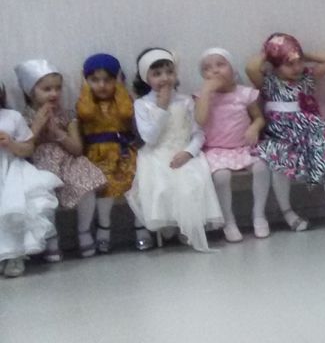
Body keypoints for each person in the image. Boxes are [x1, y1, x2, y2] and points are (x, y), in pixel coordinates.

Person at [247, 34, 325, 234]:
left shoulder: (307, 77)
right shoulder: (268, 81)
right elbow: (250, 68)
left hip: (311, 130)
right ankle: (288, 212)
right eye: (289, 64)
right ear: (275, 65)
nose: (296, 68)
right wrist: (270, 53)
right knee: (279, 164)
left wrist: (300, 54)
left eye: (299, 62)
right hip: (279, 134)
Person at [130, 49, 222, 253]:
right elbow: (149, 139)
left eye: (169, 72)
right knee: (162, 183)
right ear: (146, 78)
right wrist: (161, 108)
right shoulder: (142, 104)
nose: (165, 78)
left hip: (184, 152)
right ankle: (168, 224)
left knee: (193, 182)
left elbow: (198, 133)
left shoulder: (186, 100)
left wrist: (189, 153)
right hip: (155, 154)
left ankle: (188, 226)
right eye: (157, 74)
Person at [15, 60, 103, 260]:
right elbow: (25, 148)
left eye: (57, 88)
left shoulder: (67, 115)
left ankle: (84, 231)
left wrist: (58, 134)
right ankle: (51, 238)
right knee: (42, 191)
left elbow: (77, 149)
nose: (54, 93)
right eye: (47, 89)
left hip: (68, 160)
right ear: (31, 92)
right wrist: (37, 126)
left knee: (87, 178)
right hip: (39, 164)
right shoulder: (23, 117)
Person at [195, 48, 271, 242]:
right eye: (207, 69)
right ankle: (228, 221)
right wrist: (206, 92)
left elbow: (259, 118)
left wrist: (254, 127)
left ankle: (259, 215)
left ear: (232, 68)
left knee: (262, 167)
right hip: (216, 150)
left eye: (220, 65)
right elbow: (200, 121)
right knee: (221, 177)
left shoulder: (244, 94)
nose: (215, 71)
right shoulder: (202, 96)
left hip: (243, 147)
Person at [0, 79, 62, 278]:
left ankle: (15, 255)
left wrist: (11, 144)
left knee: (14, 203)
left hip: (10, 167)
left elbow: (28, 148)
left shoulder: (12, 117)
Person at [76, 54, 137, 254]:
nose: (102, 85)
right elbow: (85, 113)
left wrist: (120, 87)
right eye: (94, 80)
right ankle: (104, 226)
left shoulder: (121, 100)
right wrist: (85, 88)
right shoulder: (87, 102)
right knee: (105, 186)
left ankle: (141, 225)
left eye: (108, 80)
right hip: (98, 155)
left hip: (124, 153)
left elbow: (126, 113)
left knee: (138, 182)